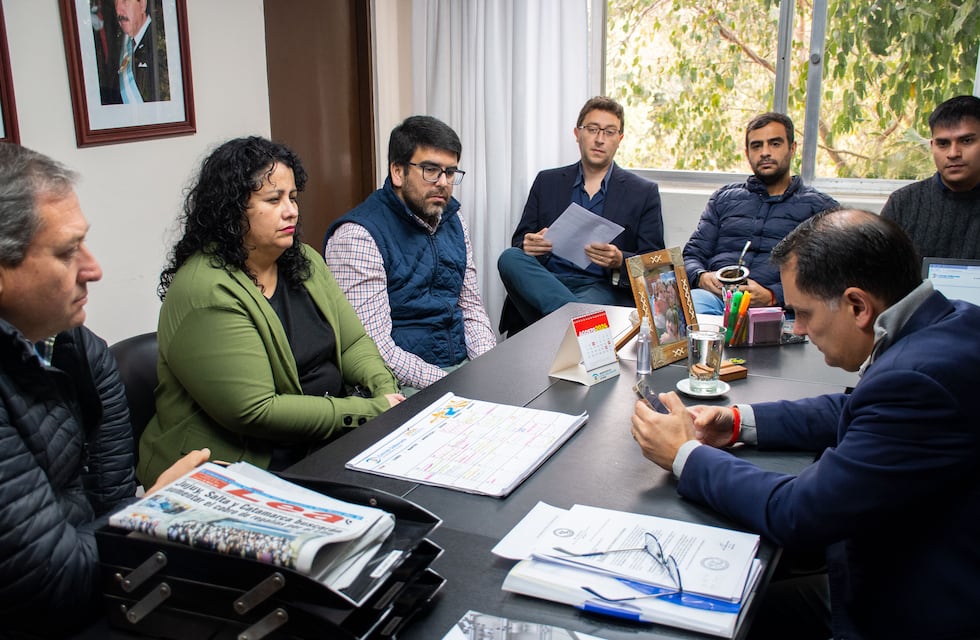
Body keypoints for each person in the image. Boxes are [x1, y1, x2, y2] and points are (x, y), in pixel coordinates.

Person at [631, 209, 980, 640]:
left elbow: (798, 512)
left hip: (905, 611)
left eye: (803, 313)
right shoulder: (950, 324)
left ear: (857, 306)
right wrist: (738, 422)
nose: (798, 328)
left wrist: (687, 455)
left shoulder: (916, 381)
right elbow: (854, 408)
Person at [0, 143, 208, 636]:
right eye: (67, 251)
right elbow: (52, 586)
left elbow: (112, 507)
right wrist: (156, 509)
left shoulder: (84, 353)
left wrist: (138, 519)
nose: (93, 270)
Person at [138, 137, 402, 486]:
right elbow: (257, 410)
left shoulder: (303, 261)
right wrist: (368, 411)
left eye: (292, 197)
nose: (291, 210)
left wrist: (385, 391)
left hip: (321, 443)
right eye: (273, 199)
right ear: (231, 209)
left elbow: (353, 343)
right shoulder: (207, 290)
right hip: (242, 466)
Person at [323, 116, 496, 393]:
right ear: (398, 172)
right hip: (400, 382)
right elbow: (374, 348)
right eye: (430, 170)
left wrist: (487, 366)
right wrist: (451, 385)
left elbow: (471, 307)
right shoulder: (358, 236)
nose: (442, 182)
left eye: (450, 172)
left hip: (459, 369)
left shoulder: (452, 218)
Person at [497, 96, 665, 332]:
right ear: (577, 133)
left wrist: (619, 259)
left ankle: (564, 323)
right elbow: (520, 240)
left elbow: (655, 264)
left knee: (593, 305)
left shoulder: (643, 192)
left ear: (620, 139)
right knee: (509, 257)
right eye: (592, 129)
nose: (599, 139)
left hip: (599, 286)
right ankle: (577, 324)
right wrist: (529, 244)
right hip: (545, 280)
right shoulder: (547, 181)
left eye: (609, 132)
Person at [683, 112, 838, 315]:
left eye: (774, 144)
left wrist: (773, 296)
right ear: (747, 154)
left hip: (778, 310)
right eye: (756, 146)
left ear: (792, 149)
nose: (765, 152)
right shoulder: (723, 199)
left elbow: (830, 277)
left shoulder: (821, 209)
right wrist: (701, 277)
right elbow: (691, 255)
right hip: (715, 300)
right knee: (690, 310)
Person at [880, 94, 980, 259]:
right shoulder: (903, 204)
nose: (953, 153)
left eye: (966, 141)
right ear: (932, 146)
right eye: (943, 144)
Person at [115, 0, 169, 103]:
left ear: (142, 5)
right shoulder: (119, 43)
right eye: (115, 3)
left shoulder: (162, 41)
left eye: (124, 1)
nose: (118, 10)